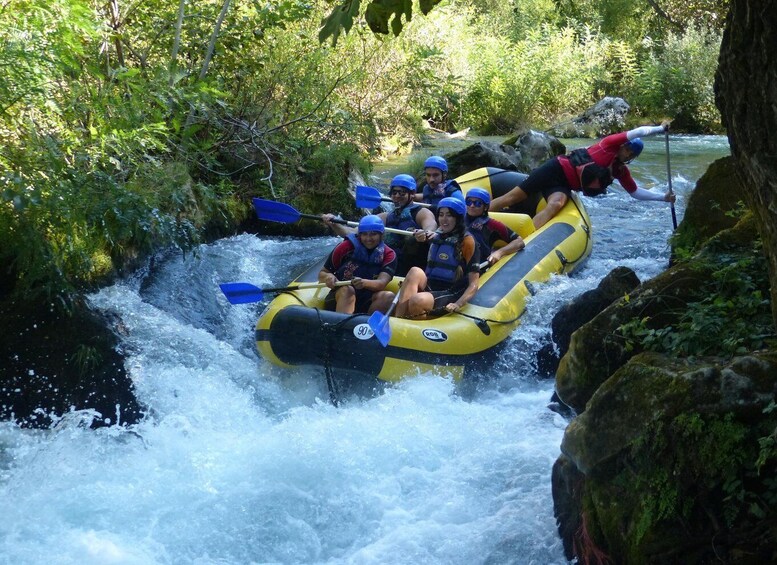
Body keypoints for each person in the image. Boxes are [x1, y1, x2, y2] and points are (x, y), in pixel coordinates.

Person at [489, 121, 676, 229]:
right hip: (555, 169)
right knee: (512, 197)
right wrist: (659, 129)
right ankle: (475, 216)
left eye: (632, 154)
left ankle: (526, 236)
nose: (628, 155)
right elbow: (637, 132)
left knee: (556, 204)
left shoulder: (620, 171)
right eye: (628, 150)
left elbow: (635, 192)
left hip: (563, 185)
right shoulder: (609, 144)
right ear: (622, 146)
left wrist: (663, 198)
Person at [323, 173, 437, 277]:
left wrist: (425, 233)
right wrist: (334, 224)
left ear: (412, 194)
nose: (397, 196)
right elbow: (352, 234)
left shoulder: (421, 212)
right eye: (394, 192)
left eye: (402, 192)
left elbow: (431, 225)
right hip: (387, 267)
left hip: (411, 269)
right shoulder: (384, 217)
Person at [390, 197, 481, 320]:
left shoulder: (468, 241)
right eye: (441, 215)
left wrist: (458, 304)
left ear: (458, 218)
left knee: (418, 300)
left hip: (451, 292)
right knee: (414, 271)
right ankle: (397, 321)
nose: (444, 219)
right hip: (432, 285)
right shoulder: (437, 236)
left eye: (449, 215)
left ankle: (414, 330)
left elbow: (474, 284)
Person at [318, 215, 397, 315]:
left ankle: (367, 328)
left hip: (367, 300)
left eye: (373, 234)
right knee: (348, 290)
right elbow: (323, 273)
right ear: (359, 235)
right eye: (364, 234)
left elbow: (381, 283)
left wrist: (364, 283)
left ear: (381, 234)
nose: (368, 238)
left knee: (388, 297)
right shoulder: (345, 247)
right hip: (340, 296)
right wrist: (328, 277)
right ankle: (342, 328)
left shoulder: (389, 254)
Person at [464, 187, 526, 265]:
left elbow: (519, 241)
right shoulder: (457, 220)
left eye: (478, 203)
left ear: (485, 207)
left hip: (478, 267)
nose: (472, 206)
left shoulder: (492, 225)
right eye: (469, 202)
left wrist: (499, 252)